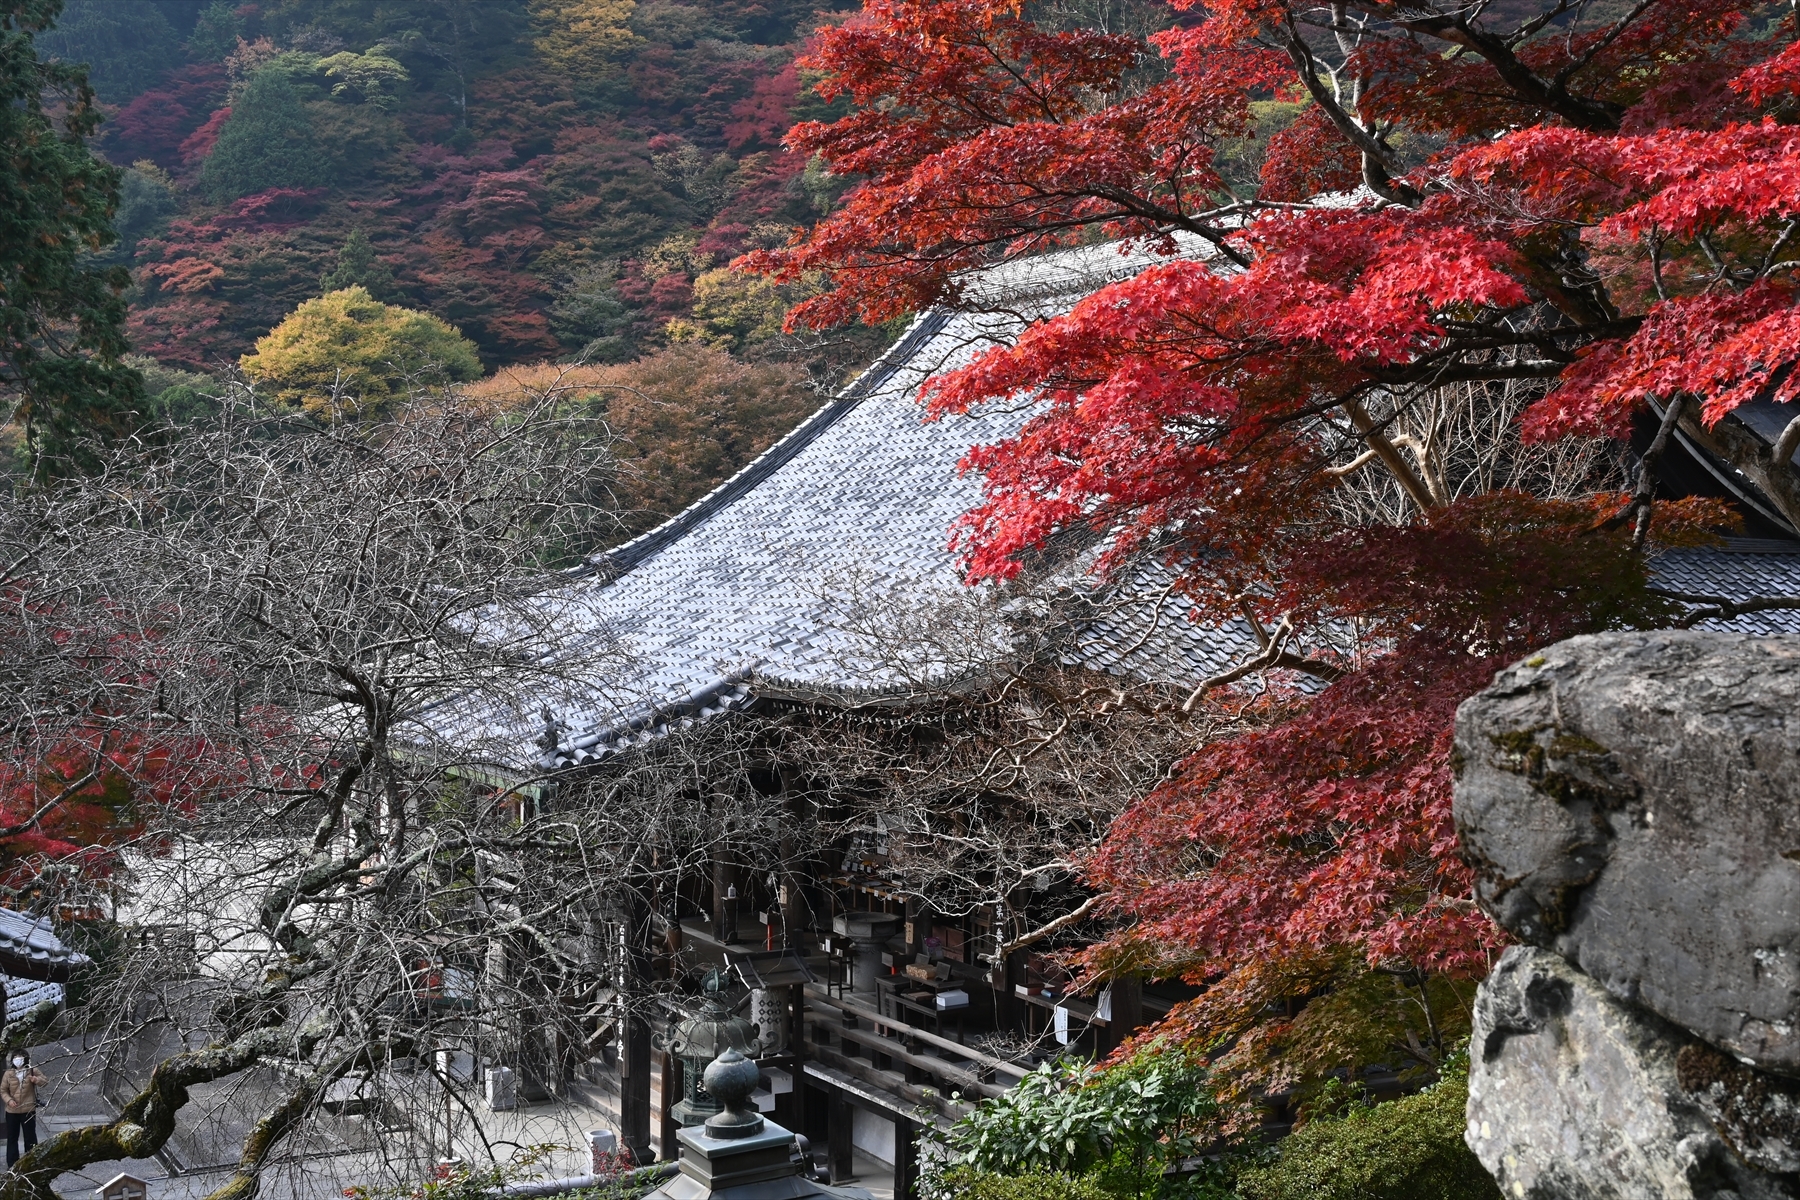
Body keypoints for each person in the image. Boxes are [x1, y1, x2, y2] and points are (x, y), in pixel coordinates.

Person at [1, 1050, 46, 1167]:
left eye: (21, 1057)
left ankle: (32, 1162)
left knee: (30, 1137)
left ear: (25, 1059)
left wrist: (37, 1080)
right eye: (15, 1057)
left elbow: (45, 1081)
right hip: (12, 1111)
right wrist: (9, 1100)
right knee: (12, 1137)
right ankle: (12, 1164)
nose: (18, 1060)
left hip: (28, 1110)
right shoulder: (8, 1073)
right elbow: (3, 1090)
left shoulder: (32, 1070)